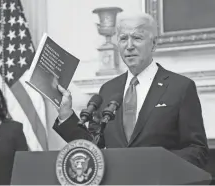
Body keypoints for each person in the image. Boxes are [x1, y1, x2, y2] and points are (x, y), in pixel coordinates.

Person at [53, 12, 209, 169]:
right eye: (123, 39)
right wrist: (66, 115)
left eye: (137, 38)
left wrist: (154, 162)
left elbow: (197, 151)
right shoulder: (108, 89)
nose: (129, 46)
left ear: (153, 44)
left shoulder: (180, 87)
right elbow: (93, 148)